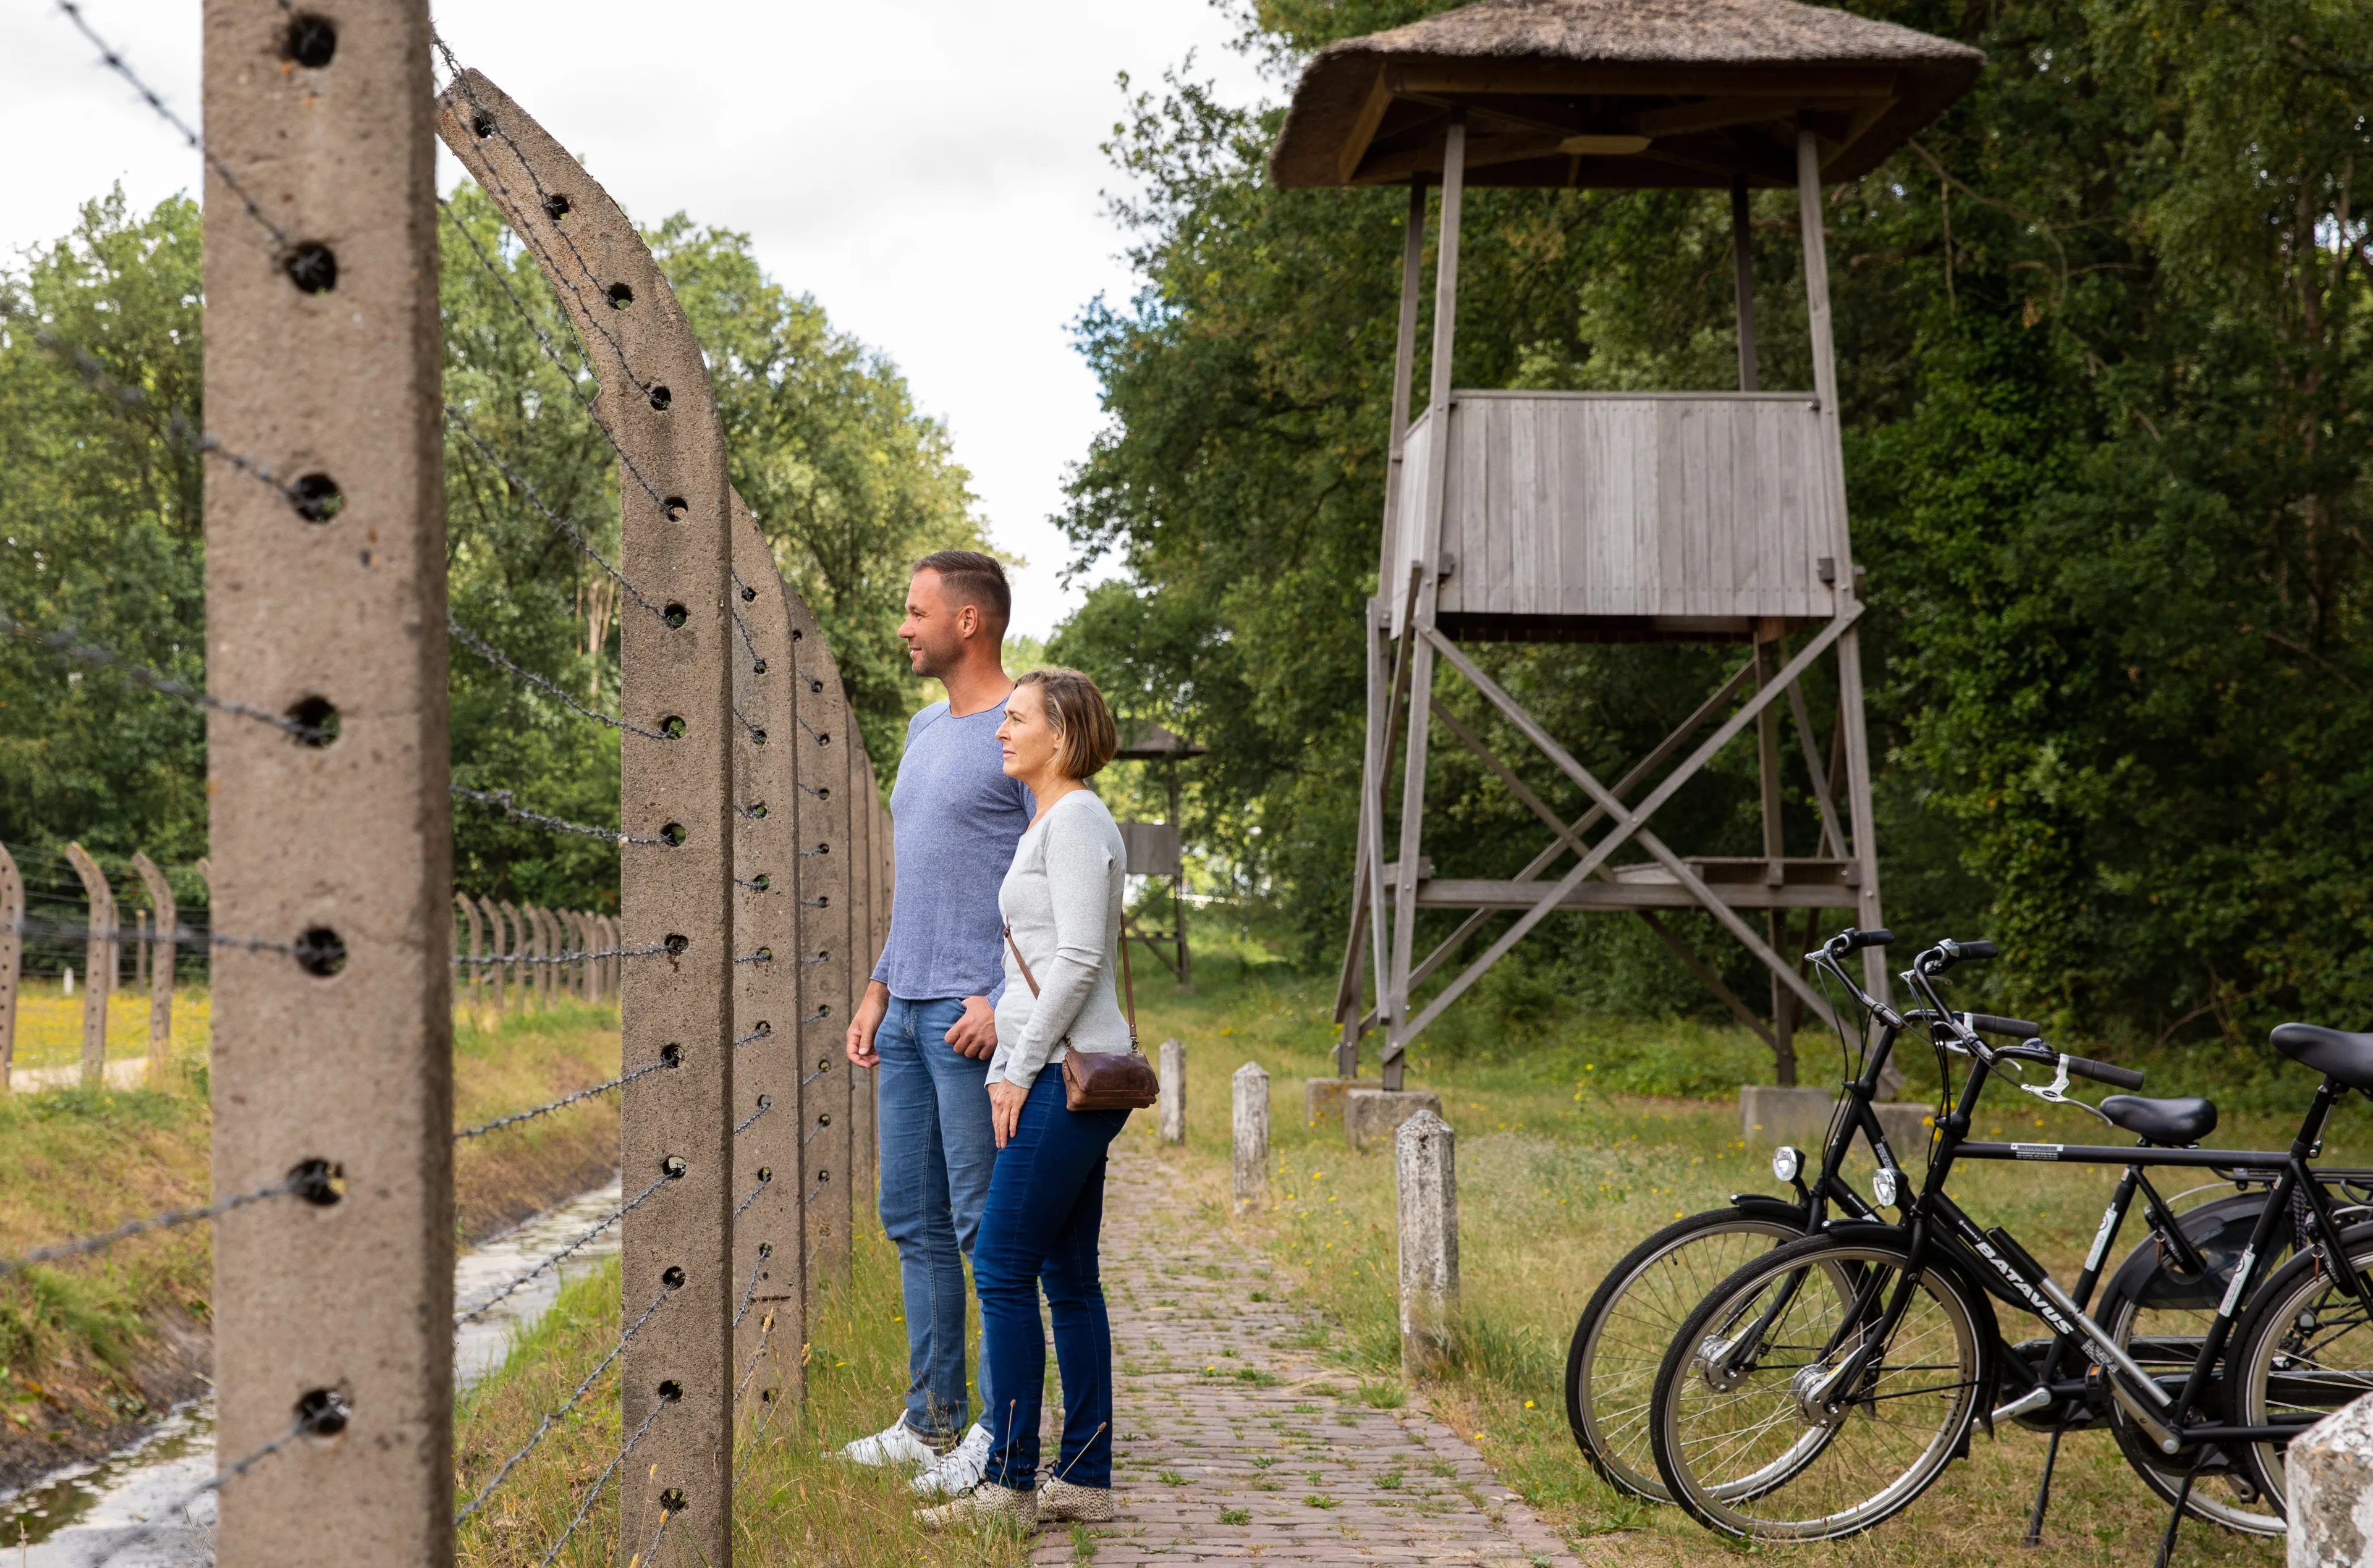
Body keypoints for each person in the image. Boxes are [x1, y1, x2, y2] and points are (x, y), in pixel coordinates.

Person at [917, 667, 1132, 1534]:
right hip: (1051, 1070)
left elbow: (1077, 959)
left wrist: (1017, 1067)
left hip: (1062, 1077)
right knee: (1067, 1278)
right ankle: (1083, 1478)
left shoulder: (1076, 818)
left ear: (1063, 733)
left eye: (1017, 719)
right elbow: (1030, 965)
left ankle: (1008, 1486)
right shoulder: (1049, 819)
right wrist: (1008, 1059)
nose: (1002, 732)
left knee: (1003, 1265)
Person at [840, 550, 1033, 1496]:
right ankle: (930, 1423)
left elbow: (1053, 874)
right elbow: (923, 877)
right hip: (905, 1012)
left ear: (968, 621)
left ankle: (1000, 1437)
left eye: (917, 612)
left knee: (980, 1231)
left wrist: (1002, 996)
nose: (903, 627)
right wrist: (879, 984)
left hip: (969, 1023)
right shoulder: (922, 727)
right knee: (911, 1221)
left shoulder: (1026, 725)